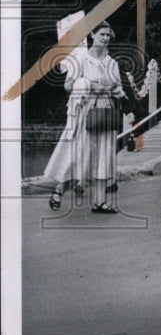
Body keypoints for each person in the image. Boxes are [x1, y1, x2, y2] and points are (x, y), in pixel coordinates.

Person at [44, 22, 126, 214]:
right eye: (102, 34)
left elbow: (119, 87)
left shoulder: (112, 63)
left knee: (103, 155)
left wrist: (116, 91)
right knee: (78, 153)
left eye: (108, 35)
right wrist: (89, 85)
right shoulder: (81, 59)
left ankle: (99, 202)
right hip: (84, 113)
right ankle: (59, 189)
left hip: (105, 113)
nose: (105, 38)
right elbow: (68, 85)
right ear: (92, 35)